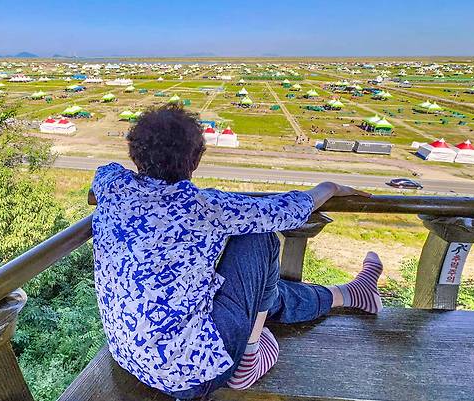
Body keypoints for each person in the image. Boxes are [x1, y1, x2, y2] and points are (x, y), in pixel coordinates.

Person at [90, 105, 384, 400]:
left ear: (134, 154)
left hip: (131, 356)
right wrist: (329, 186)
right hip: (195, 373)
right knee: (260, 238)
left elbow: (106, 169)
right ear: (195, 160)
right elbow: (288, 210)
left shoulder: (112, 184)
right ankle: (249, 360)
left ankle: (351, 293)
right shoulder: (206, 206)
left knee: (262, 295)